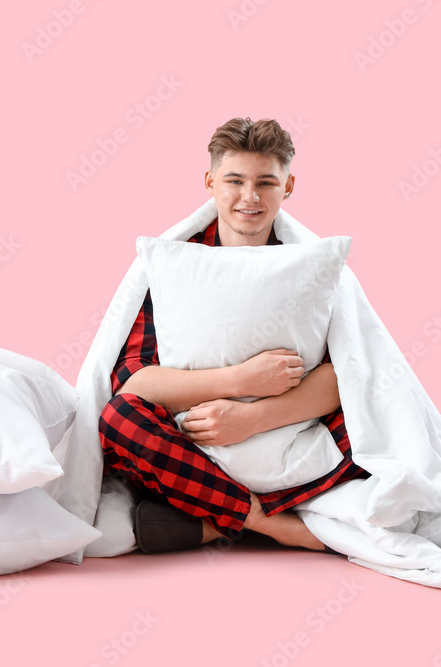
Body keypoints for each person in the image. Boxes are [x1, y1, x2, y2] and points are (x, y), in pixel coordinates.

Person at [97, 117, 370, 554]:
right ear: (209, 181)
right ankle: (270, 523)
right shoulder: (174, 263)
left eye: (266, 182)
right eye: (234, 180)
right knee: (119, 420)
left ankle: (207, 522)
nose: (250, 197)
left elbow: (352, 374)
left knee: (379, 424)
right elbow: (134, 382)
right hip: (192, 441)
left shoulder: (313, 265)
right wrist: (239, 381)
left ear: (289, 185)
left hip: (290, 430)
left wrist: (252, 419)